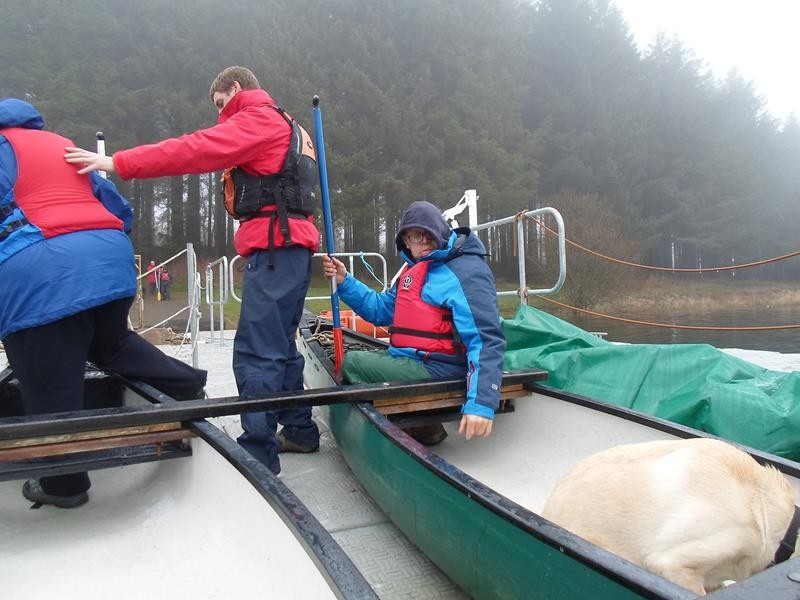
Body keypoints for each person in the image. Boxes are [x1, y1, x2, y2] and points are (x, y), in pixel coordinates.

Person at [64, 66, 321, 475]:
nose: (221, 114)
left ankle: (258, 455)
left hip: (274, 249)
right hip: (294, 248)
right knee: (282, 346)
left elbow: (194, 148)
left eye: (221, 104)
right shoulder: (292, 125)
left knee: (257, 352)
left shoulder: (257, 119)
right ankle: (299, 431)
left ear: (235, 89)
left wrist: (118, 162)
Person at [0, 98, 208, 508]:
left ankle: (64, 486)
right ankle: (187, 385)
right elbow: (115, 203)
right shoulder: (59, 144)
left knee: (49, 381)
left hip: (42, 271)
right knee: (110, 343)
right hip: (110, 257)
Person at [322, 200, 506, 443]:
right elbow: (379, 310)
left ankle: (413, 425)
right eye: (415, 237)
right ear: (405, 242)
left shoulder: (466, 271)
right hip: (412, 359)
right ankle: (425, 428)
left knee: (353, 361)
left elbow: (485, 339)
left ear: (442, 232)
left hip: (440, 369)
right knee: (366, 358)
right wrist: (345, 280)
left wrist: (481, 403)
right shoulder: (414, 271)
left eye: (429, 235)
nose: (423, 243)